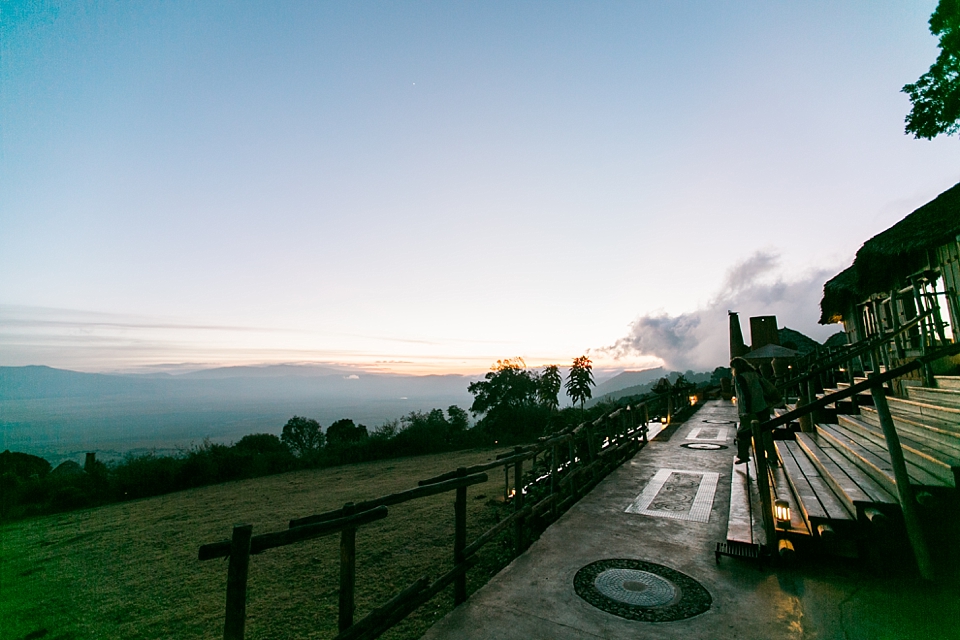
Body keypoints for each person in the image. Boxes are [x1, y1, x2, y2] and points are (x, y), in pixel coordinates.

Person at [731, 356, 776, 465]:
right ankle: (772, 457)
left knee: (742, 434)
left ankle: (743, 455)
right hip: (763, 407)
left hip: (750, 410)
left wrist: (746, 410)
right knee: (766, 434)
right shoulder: (755, 374)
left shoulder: (740, 377)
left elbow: (746, 394)